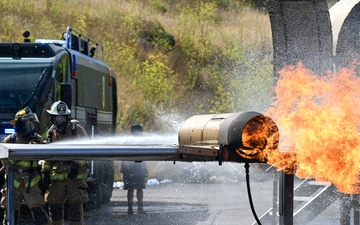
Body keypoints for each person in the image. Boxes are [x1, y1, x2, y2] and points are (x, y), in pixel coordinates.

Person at [41, 101, 89, 225]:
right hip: (57, 177)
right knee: (54, 208)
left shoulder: (76, 129)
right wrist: (45, 170)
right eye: (57, 117)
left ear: (67, 117)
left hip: (74, 178)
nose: (60, 120)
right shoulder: (51, 133)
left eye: (62, 117)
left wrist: (76, 164)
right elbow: (47, 154)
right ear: (53, 118)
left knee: (75, 212)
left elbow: (88, 150)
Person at [1, 107, 50, 225]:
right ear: (19, 126)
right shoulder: (10, 140)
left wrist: (38, 146)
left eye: (31, 125)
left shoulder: (37, 139)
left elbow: (48, 153)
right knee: (10, 215)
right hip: (13, 182)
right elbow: (3, 159)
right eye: (27, 125)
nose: (30, 129)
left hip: (30, 182)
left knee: (39, 213)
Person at [120, 124, 148, 215]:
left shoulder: (142, 141)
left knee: (139, 188)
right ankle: (130, 208)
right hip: (130, 168)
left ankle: (139, 207)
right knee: (131, 188)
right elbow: (123, 154)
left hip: (139, 167)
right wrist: (126, 164)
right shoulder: (128, 141)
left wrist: (145, 167)